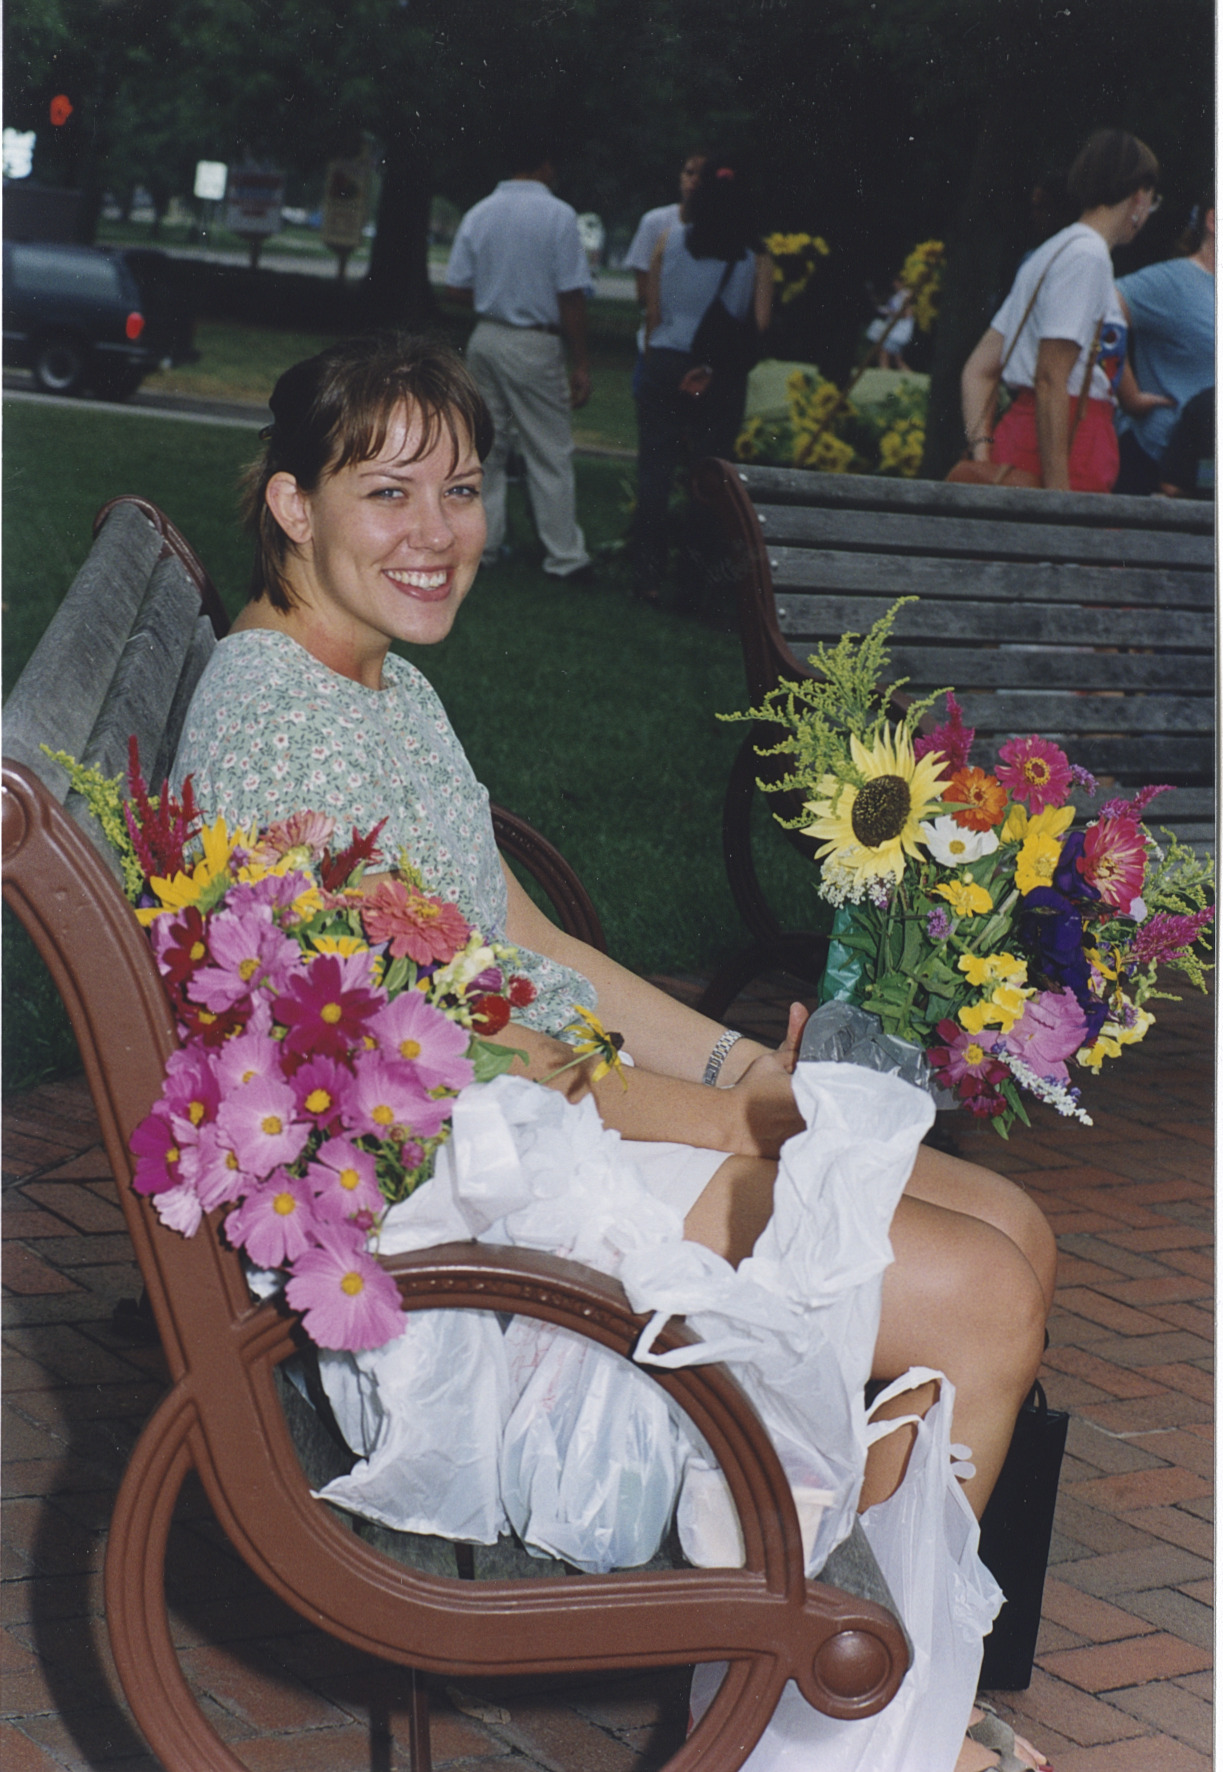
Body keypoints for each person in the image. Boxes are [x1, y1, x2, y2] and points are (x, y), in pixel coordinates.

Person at [173, 333, 1055, 1772]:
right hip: (468, 1216)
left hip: (537, 1136)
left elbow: (525, 939)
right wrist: (757, 1125)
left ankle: (846, 1694)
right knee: (975, 1291)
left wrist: (740, 1074)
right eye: (387, 492)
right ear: (291, 502)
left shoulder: (370, 683)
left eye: (461, 490)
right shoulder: (284, 732)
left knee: (1004, 1220)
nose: (436, 533)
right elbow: (467, 1069)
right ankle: (836, 1717)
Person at [960, 129, 1166, 492]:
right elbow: (1051, 377)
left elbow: (978, 369)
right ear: (1139, 196)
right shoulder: (1089, 257)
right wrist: (1059, 499)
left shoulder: (1051, 252)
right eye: (1152, 200)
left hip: (1023, 439)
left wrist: (984, 454)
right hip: (1068, 443)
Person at [443, 133, 594, 582]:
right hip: (534, 340)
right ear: (545, 165)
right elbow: (571, 294)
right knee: (548, 449)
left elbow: (455, 287)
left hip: (487, 335)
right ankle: (564, 556)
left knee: (486, 448)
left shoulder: (480, 212)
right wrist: (581, 361)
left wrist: (497, 293)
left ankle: (483, 546)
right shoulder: (559, 214)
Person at [634, 155, 774, 607]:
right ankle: (693, 583)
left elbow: (653, 311)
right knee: (708, 476)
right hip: (717, 372)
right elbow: (760, 323)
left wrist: (656, 357)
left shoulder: (668, 240)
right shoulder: (755, 256)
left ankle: (646, 576)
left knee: (655, 469)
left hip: (665, 360)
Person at [1113, 202, 1215, 495]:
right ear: (1213, 220)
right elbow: (1100, 308)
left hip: (1206, 475)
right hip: (1155, 462)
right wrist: (1128, 392)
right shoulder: (1174, 281)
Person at [623, 150, 707, 373]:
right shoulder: (655, 222)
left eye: (702, 175)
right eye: (689, 172)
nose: (694, 180)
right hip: (658, 343)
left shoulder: (721, 232)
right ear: (680, 176)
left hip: (703, 351)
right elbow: (643, 294)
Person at [867, 277, 915, 370]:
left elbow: (907, 313)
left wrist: (891, 313)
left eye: (896, 282)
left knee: (887, 353)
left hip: (900, 330)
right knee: (894, 357)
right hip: (894, 329)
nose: (894, 284)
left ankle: (884, 370)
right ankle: (884, 370)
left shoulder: (906, 294)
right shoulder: (897, 295)